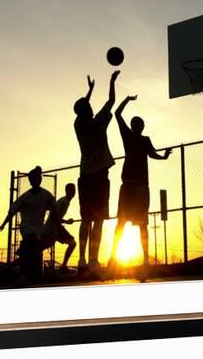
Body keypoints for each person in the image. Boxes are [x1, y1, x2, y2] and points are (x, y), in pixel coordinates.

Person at [108, 95, 172, 270]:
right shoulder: (127, 135)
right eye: (134, 123)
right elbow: (117, 113)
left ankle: (145, 260)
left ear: (142, 127)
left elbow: (152, 154)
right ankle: (113, 257)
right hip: (128, 185)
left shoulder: (145, 140)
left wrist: (164, 157)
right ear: (132, 125)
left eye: (139, 123)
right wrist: (127, 99)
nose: (136, 125)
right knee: (121, 222)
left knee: (142, 223)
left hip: (141, 187)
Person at [73, 70, 120, 273]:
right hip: (100, 177)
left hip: (85, 177)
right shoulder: (98, 121)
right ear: (86, 110)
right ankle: (92, 260)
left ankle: (83, 259)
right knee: (98, 220)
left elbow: (81, 107)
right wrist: (111, 81)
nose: (91, 105)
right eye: (89, 105)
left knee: (86, 219)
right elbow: (111, 100)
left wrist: (90, 91)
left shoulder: (78, 124)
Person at [0, 166, 57, 283]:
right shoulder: (25, 197)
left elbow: (54, 209)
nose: (35, 181)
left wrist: (58, 224)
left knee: (31, 253)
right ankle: (25, 274)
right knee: (32, 247)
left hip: (39, 230)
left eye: (38, 178)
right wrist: (3, 224)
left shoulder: (46, 195)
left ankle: (12, 269)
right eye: (33, 179)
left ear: (40, 179)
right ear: (30, 181)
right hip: (27, 229)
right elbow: (12, 211)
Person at [42, 183, 77, 273]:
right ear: (67, 191)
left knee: (72, 243)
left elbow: (56, 217)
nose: (73, 192)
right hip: (52, 229)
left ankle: (64, 265)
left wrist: (64, 222)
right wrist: (66, 222)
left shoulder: (65, 202)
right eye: (71, 190)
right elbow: (54, 216)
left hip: (55, 228)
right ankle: (63, 266)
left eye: (74, 190)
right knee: (72, 243)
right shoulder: (63, 202)